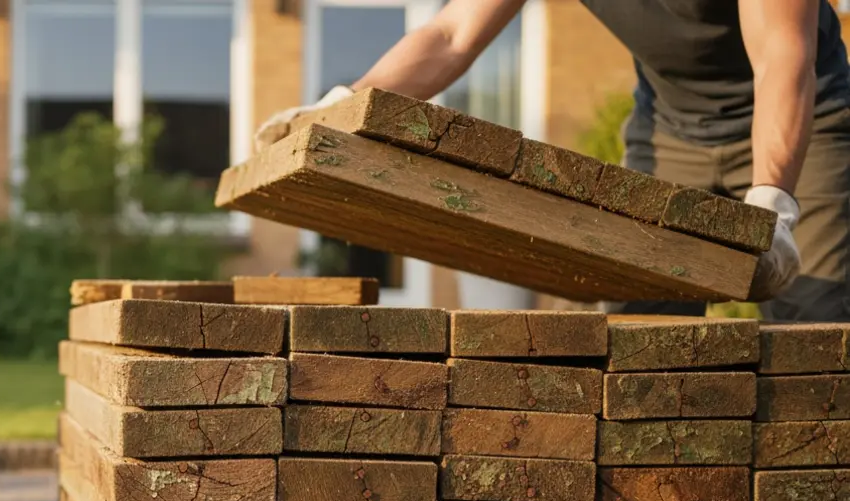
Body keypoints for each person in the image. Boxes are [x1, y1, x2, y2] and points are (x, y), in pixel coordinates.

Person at [255, 0, 850, 321]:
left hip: (804, 120)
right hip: (671, 129)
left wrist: (774, 201)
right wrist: (345, 105)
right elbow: (451, 34)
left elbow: (782, 57)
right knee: (634, 320)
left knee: (817, 323)